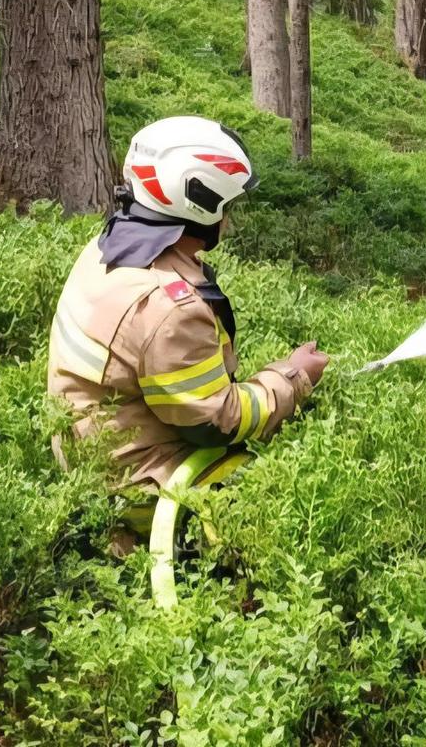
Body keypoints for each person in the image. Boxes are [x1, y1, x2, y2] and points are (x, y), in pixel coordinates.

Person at [47, 117, 328, 508]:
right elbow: (217, 420)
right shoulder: (170, 308)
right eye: (227, 205)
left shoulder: (107, 248)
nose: (228, 218)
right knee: (301, 489)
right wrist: (294, 377)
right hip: (137, 488)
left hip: (88, 457)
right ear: (201, 202)